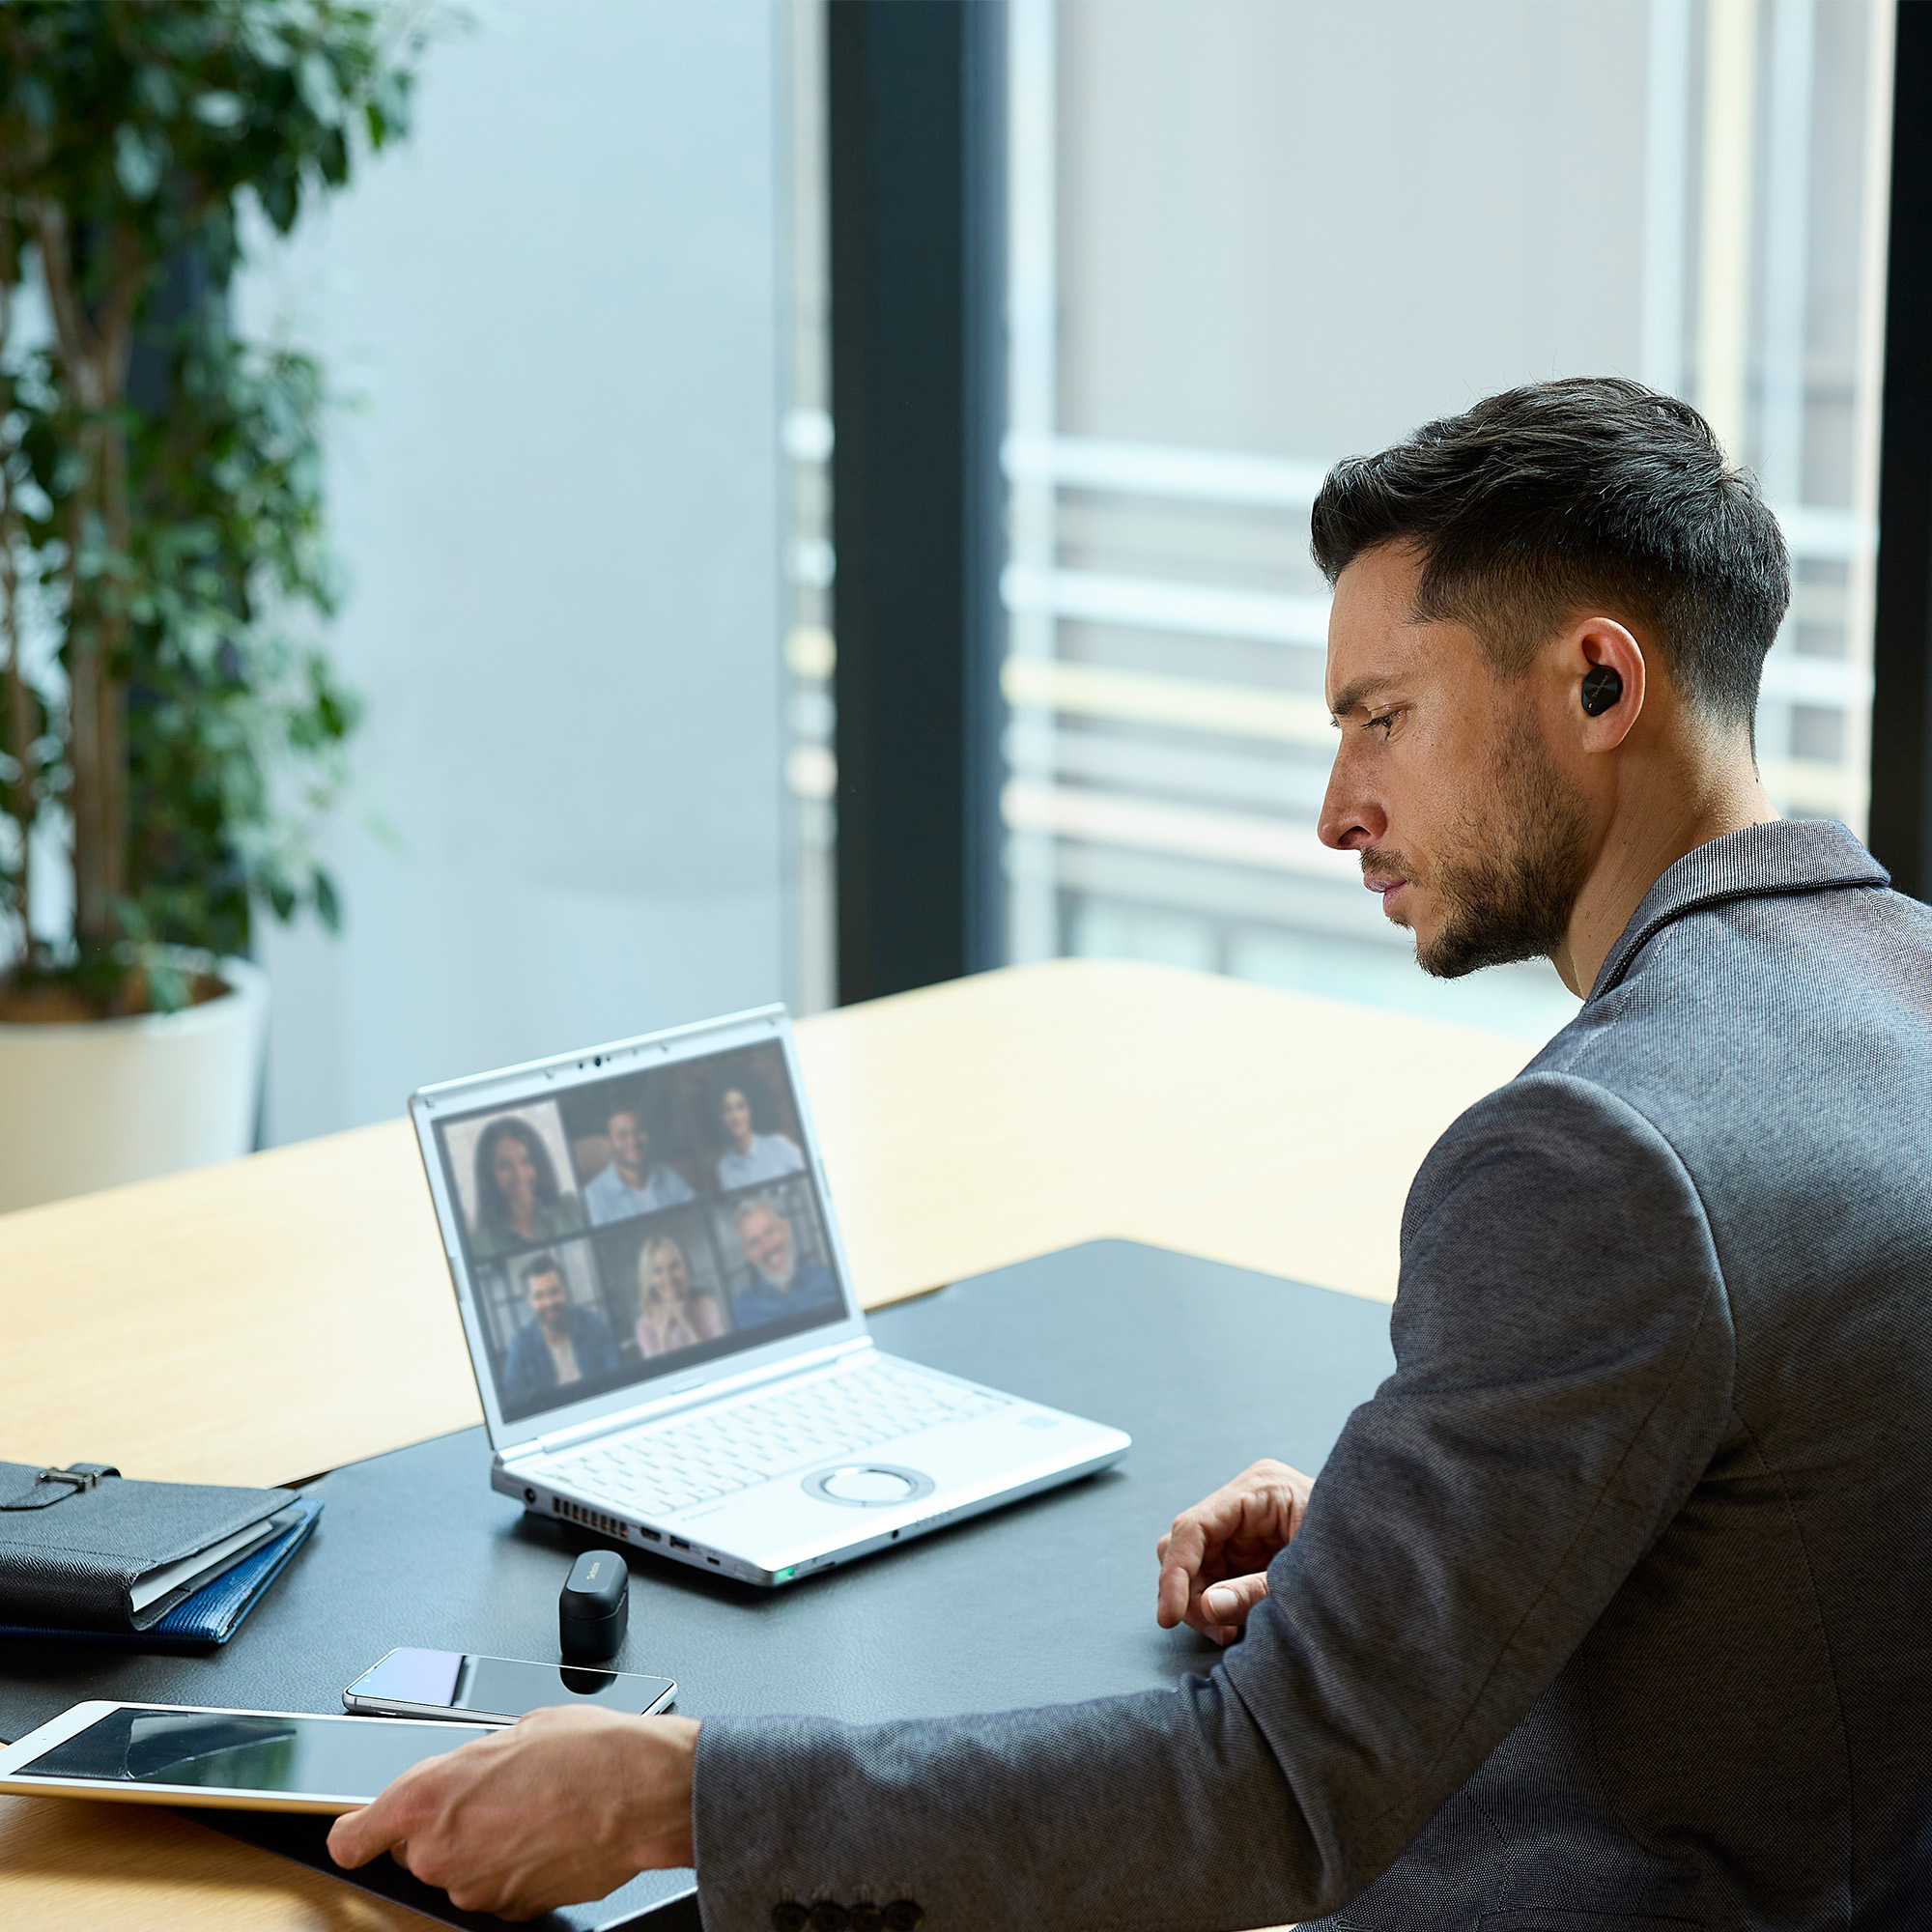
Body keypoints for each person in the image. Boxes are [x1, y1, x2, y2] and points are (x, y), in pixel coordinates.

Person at [328, 380, 1932, 1926]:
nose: (1336, 809)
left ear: (1601, 683)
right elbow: (1820, 1519)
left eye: (1382, 719)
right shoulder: (1904, 987)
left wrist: (672, 1798)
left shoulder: (1595, 1158)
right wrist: (1420, 1546)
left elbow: (1269, 1797)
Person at [497, 1254, 622, 1413]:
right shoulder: (521, 1343)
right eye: (539, 1296)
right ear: (529, 1301)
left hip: (601, 1409)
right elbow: (515, 1400)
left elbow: (616, 1377)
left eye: (554, 1292)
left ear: (565, 1291)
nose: (549, 1302)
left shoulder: (593, 1324)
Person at [469, 1116, 584, 1259]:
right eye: (505, 1165)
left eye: (526, 1161)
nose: (519, 1176)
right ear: (489, 1175)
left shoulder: (570, 1209)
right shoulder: (481, 1245)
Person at [724, 1198, 839, 1331]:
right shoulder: (744, 1309)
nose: (767, 1246)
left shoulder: (831, 1280)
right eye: (754, 1242)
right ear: (747, 1254)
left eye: (770, 1232)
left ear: (785, 1229)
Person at [582, 1102, 694, 1226]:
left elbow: (697, 1219)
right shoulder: (594, 1195)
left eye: (638, 1131)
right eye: (622, 1135)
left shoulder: (668, 1176)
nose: (633, 1141)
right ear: (609, 1142)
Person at [634, 1234, 728, 1358]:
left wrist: (687, 1324)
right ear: (649, 1279)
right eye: (658, 1271)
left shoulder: (708, 1305)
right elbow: (660, 1372)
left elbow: (722, 1358)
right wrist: (664, 1331)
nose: (668, 1278)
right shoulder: (644, 1326)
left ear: (686, 1267)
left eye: (674, 1266)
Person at [713, 1075, 805, 1190]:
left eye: (741, 1107)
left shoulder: (778, 1145)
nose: (735, 1116)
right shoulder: (725, 1167)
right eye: (728, 1110)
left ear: (751, 1109)